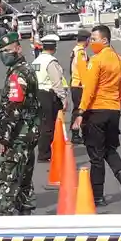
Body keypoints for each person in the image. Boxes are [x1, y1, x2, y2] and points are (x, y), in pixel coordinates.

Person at [75, 25, 121, 207]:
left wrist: (80, 112)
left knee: (96, 156)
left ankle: (97, 196)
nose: (91, 42)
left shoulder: (97, 60)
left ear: (105, 40)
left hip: (96, 111)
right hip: (113, 111)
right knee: (110, 149)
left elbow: (89, 88)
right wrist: (117, 109)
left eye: (94, 39)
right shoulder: (120, 61)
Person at [0, 33, 42, 215]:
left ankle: (4, 217)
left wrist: (3, 138)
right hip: (29, 131)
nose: (5, 54)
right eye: (2, 51)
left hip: (19, 133)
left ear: (18, 49)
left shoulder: (18, 74)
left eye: (8, 50)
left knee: (7, 177)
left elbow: (14, 108)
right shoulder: (24, 69)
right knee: (24, 176)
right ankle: (25, 214)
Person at [31, 33, 68, 164]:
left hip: (37, 93)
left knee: (42, 124)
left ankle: (43, 151)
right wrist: (63, 98)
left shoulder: (36, 61)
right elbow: (56, 82)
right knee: (49, 125)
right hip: (48, 95)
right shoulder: (51, 62)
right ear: (54, 47)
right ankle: (45, 153)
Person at [69, 28, 92, 144]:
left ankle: (77, 133)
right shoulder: (81, 52)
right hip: (80, 85)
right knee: (80, 110)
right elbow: (83, 71)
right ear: (87, 40)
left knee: (77, 109)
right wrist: (87, 86)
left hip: (75, 84)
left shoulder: (75, 50)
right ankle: (76, 134)